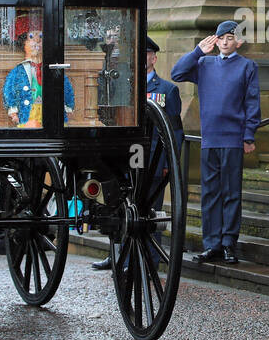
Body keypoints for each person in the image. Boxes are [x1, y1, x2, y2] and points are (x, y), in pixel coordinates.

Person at [91, 35, 183, 270]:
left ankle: (149, 260)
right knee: (123, 208)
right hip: (127, 157)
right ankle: (119, 256)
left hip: (153, 158)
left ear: (154, 58)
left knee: (150, 213)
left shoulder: (167, 90)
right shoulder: (124, 85)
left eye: (147, 55)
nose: (143, 59)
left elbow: (174, 131)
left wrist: (169, 163)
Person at [172, 20, 260, 263]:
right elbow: (177, 73)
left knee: (230, 192)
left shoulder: (247, 66)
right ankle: (212, 243)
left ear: (239, 41)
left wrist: (249, 134)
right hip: (210, 137)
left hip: (233, 137)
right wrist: (198, 51)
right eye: (220, 37)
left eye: (230, 37)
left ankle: (229, 242)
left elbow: (252, 103)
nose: (224, 41)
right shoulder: (204, 63)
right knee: (210, 192)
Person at [3, 26, 44, 127]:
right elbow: (9, 89)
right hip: (28, 114)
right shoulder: (18, 71)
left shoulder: (51, 68)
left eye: (40, 37)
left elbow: (63, 86)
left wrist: (66, 107)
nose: (37, 41)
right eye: (31, 37)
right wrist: (13, 111)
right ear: (24, 43)